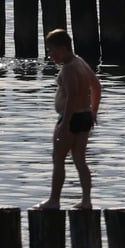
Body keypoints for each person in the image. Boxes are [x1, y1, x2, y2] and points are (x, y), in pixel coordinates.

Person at [34, 28, 101, 209]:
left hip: (71, 118)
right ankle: (86, 200)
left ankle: (54, 200)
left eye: (52, 51)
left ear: (63, 48)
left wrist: (64, 123)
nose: (50, 55)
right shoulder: (80, 62)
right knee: (80, 159)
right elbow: (96, 86)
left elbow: (71, 96)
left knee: (58, 158)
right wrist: (93, 111)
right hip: (84, 116)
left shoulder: (68, 69)